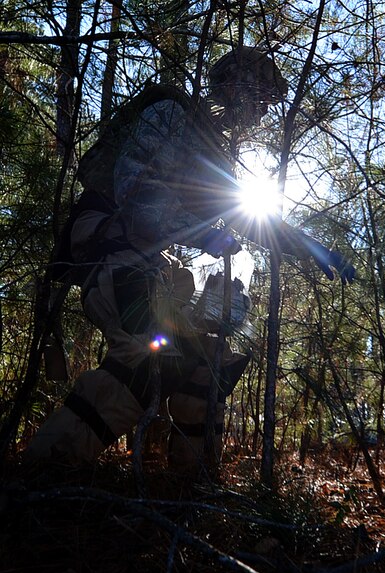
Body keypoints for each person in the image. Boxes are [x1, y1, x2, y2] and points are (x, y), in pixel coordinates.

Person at [25, 47, 354, 474]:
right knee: (147, 354)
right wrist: (205, 234)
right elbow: (134, 194)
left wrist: (314, 248)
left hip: (150, 263)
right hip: (110, 248)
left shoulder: (210, 149)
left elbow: (251, 218)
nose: (260, 113)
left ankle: (193, 483)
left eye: (268, 105)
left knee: (209, 358)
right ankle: (45, 472)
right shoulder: (170, 113)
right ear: (233, 85)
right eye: (258, 99)